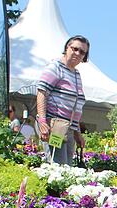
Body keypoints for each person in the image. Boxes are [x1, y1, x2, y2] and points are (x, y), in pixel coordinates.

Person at [36, 35, 89, 166]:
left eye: (82, 52)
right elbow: (42, 93)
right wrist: (43, 122)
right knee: (58, 166)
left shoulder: (76, 74)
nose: (78, 53)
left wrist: (78, 134)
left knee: (67, 168)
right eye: (75, 49)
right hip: (55, 126)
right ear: (67, 48)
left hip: (68, 128)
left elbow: (74, 106)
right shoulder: (55, 67)